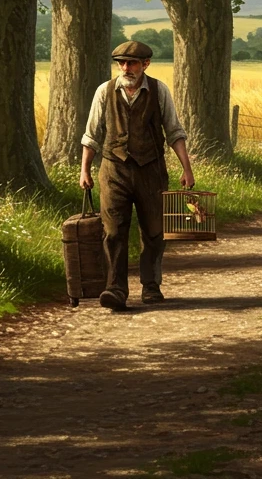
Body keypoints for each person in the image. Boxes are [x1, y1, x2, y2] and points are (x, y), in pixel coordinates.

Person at [80, 40, 195, 311]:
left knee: (154, 231)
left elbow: (175, 132)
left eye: (131, 62)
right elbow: (91, 134)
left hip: (151, 171)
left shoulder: (159, 90)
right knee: (113, 231)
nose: (125, 67)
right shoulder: (104, 91)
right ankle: (115, 288)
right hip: (113, 170)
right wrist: (85, 170)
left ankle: (151, 286)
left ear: (145, 64)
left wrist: (187, 169)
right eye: (121, 62)